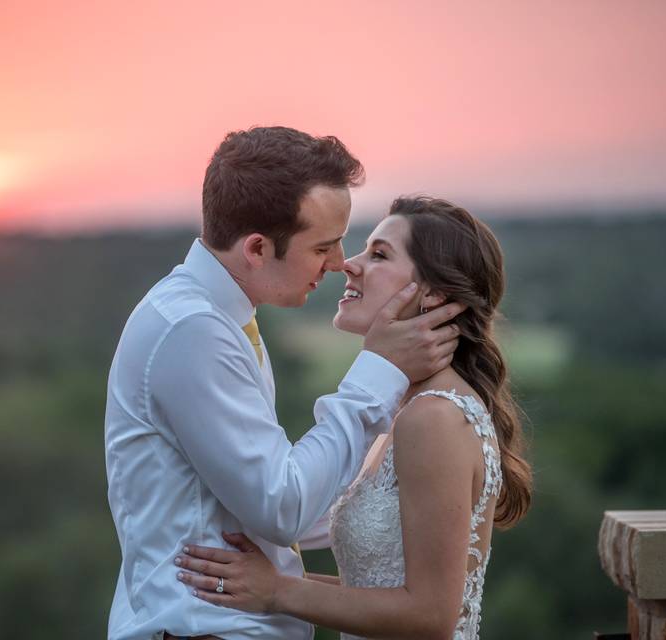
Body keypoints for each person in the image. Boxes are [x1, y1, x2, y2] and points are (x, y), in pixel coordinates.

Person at [104, 129, 464, 640]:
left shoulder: (219, 320)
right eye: (323, 245)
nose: (340, 262)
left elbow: (271, 502)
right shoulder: (194, 330)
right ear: (256, 248)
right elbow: (283, 506)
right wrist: (375, 374)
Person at [176, 196, 533, 640]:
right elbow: (378, 590)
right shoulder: (410, 409)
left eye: (379, 255)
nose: (350, 265)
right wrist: (272, 582)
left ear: (435, 294)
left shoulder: (435, 418)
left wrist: (278, 592)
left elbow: (430, 616)